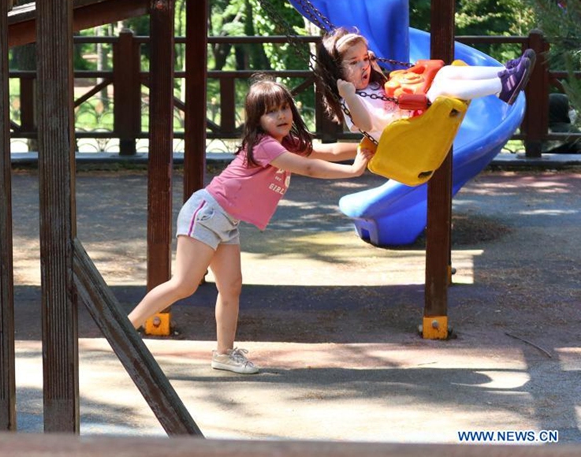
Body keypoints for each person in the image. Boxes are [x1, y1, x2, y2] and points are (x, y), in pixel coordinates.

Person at [127, 77, 373, 374]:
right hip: (207, 213)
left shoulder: (286, 142)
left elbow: (326, 151)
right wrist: (355, 170)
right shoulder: (265, 145)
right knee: (184, 284)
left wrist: (368, 143)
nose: (281, 115)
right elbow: (308, 167)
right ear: (257, 120)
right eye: (272, 112)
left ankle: (224, 354)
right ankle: (123, 331)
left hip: (226, 220)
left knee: (231, 287)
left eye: (285, 108)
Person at [317, 27, 536, 141]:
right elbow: (364, 124)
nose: (363, 66)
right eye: (354, 62)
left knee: (447, 72)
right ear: (335, 72)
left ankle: (504, 75)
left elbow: (386, 88)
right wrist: (349, 96)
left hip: (415, 117)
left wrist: (373, 65)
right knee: (441, 89)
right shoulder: (349, 103)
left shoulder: (371, 85)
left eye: (365, 58)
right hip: (408, 135)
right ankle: (503, 86)